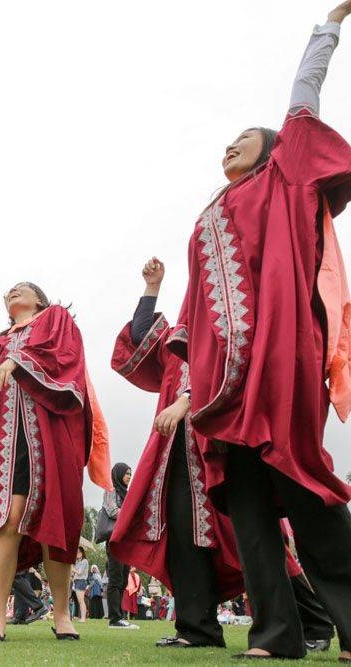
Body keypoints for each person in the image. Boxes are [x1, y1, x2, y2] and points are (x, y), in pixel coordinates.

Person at [171, 3, 351, 660]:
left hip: (280, 363)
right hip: (222, 389)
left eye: (244, 138)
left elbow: (303, 100)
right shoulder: (208, 215)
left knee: (302, 481)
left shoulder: (285, 176)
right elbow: (193, 313)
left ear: (273, 148)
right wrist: (190, 385)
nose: (230, 146)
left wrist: (326, 30)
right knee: (247, 508)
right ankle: (277, 635)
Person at [0, 284, 109, 641]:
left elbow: (65, 357)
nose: (12, 292)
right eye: (9, 291)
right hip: (7, 439)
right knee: (6, 519)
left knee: (52, 515)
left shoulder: (54, 318)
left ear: (38, 299)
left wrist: (17, 361)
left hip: (49, 430)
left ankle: (61, 615)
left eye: (21, 289)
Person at [109, 258, 246, 648]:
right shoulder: (174, 342)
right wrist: (152, 288)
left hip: (222, 443)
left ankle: (314, 622)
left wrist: (187, 400)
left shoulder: (228, 327)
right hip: (179, 452)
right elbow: (139, 336)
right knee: (186, 534)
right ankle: (197, 628)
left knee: (247, 532)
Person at [102, 463, 138, 630]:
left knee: (123, 579)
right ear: (118, 474)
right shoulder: (111, 490)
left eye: (130, 474)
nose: (129, 477)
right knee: (115, 578)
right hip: (114, 539)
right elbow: (112, 511)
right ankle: (114, 619)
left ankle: (120, 616)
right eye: (126, 474)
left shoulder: (127, 493)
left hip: (126, 540)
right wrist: (130, 511)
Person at [72, 547, 89, 623]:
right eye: (76, 552)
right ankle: (81, 617)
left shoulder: (84, 561)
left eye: (79, 552)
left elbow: (79, 572)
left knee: (81, 601)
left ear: (82, 553)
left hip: (81, 581)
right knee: (80, 601)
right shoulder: (77, 562)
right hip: (77, 581)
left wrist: (72, 568)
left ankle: (83, 618)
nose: (77, 554)